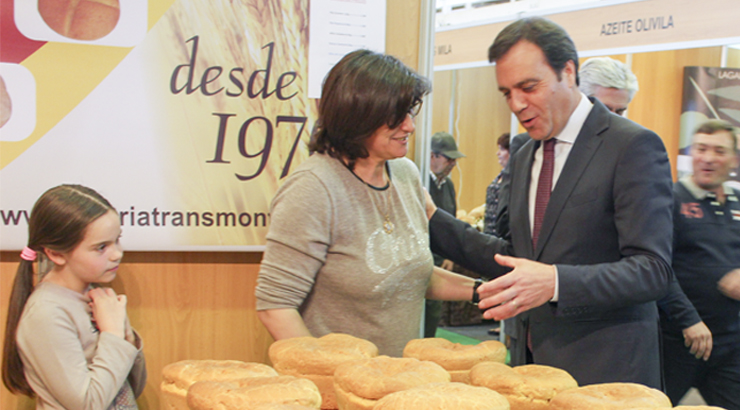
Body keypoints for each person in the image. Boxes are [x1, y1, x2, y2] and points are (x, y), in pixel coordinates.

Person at [426, 17, 673, 388]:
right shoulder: (525, 153)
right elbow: (518, 257)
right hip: (532, 369)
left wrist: (556, 282)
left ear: (568, 72)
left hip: (606, 374)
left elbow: (652, 270)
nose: (517, 104)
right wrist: (432, 221)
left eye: (529, 86)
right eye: (507, 93)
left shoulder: (631, 145)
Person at [255, 49, 480, 357]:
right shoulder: (313, 189)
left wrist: (482, 292)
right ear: (357, 115)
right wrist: (331, 374)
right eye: (396, 117)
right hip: (341, 390)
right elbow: (275, 306)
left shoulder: (405, 174)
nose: (410, 127)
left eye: (410, 113)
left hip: (398, 381)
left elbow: (407, 275)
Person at [1, 184, 147, 409]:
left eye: (117, 240)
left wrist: (126, 336)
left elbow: (127, 390)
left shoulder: (97, 297)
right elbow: (88, 403)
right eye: (101, 247)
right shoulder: (46, 313)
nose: (117, 253)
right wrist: (114, 335)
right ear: (56, 254)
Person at [657, 119, 740, 409]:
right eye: (701, 148)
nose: (707, 158)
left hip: (729, 344)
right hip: (676, 341)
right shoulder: (669, 200)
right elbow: (657, 267)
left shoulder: (737, 201)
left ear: (734, 159)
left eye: (719, 151)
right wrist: (688, 320)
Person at [425, 131, 465, 337]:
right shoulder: (419, 181)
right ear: (433, 156)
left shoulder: (448, 185)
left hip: (440, 260)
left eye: (454, 160)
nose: (453, 165)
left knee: (432, 315)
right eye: (449, 159)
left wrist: (450, 255)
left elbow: (452, 221)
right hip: (421, 258)